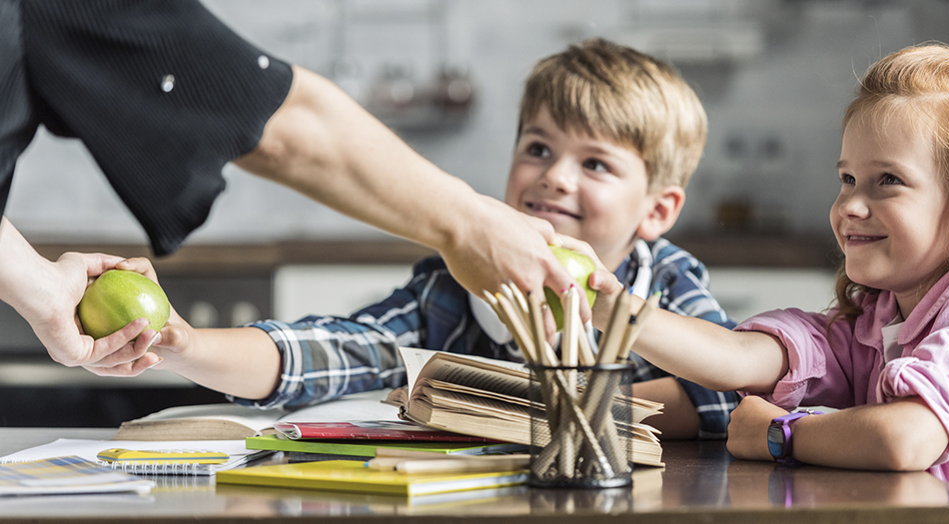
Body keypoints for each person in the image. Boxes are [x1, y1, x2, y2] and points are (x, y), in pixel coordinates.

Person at [98, 38, 740, 439]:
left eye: (595, 164)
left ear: (658, 210)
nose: (554, 177)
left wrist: (536, 409)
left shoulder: (668, 282)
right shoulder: (451, 284)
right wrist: (184, 343)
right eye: (538, 147)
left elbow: (720, 394)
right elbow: (333, 352)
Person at [0, 0, 576, 373]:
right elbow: (279, 121)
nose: (558, 179)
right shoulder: (434, 301)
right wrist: (469, 223)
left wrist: (37, 285)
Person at [586, 43, 949, 519]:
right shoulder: (876, 318)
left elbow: (906, 437)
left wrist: (781, 434)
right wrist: (611, 308)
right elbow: (735, 359)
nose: (850, 207)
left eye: (888, 181)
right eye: (849, 179)